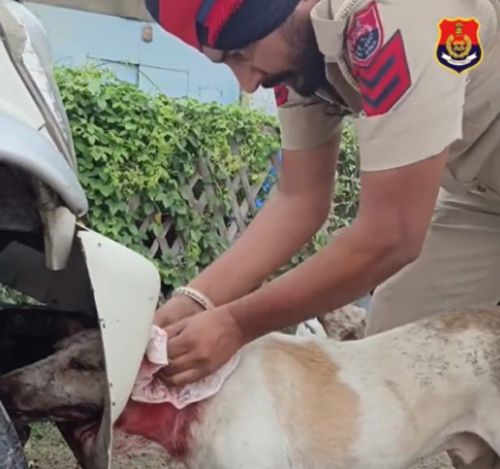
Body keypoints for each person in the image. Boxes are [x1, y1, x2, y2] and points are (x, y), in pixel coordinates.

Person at [146, 0, 500, 465]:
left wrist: (236, 323)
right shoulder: (301, 49)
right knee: (406, 371)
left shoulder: (401, 14)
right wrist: (195, 300)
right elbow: (299, 200)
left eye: (240, 52)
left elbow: (392, 234)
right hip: (482, 197)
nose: (247, 81)